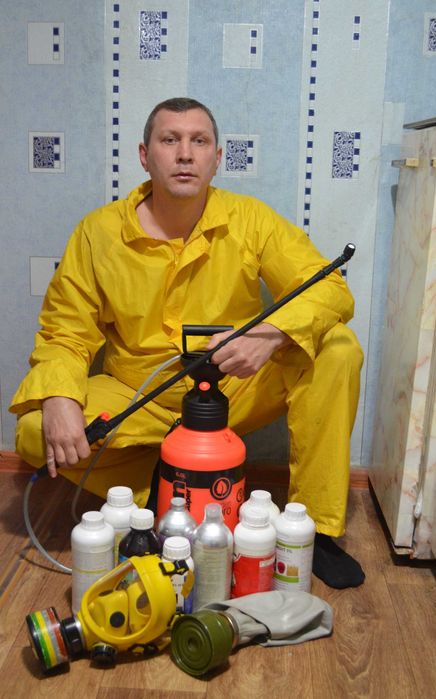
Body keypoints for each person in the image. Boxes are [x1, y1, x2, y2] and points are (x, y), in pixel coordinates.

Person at [10, 97, 364, 589]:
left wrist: (269, 335)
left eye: (199, 141)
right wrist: (58, 397)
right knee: (35, 430)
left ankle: (314, 530)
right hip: (139, 395)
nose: (184, 153)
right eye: (169, 140)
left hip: (233, 389)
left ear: (216, 159)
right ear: (144, 155)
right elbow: (65, 329)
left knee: (339, 347)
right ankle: (164, 495)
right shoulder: (98, 232)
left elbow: (328, 288)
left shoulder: (251, 218)